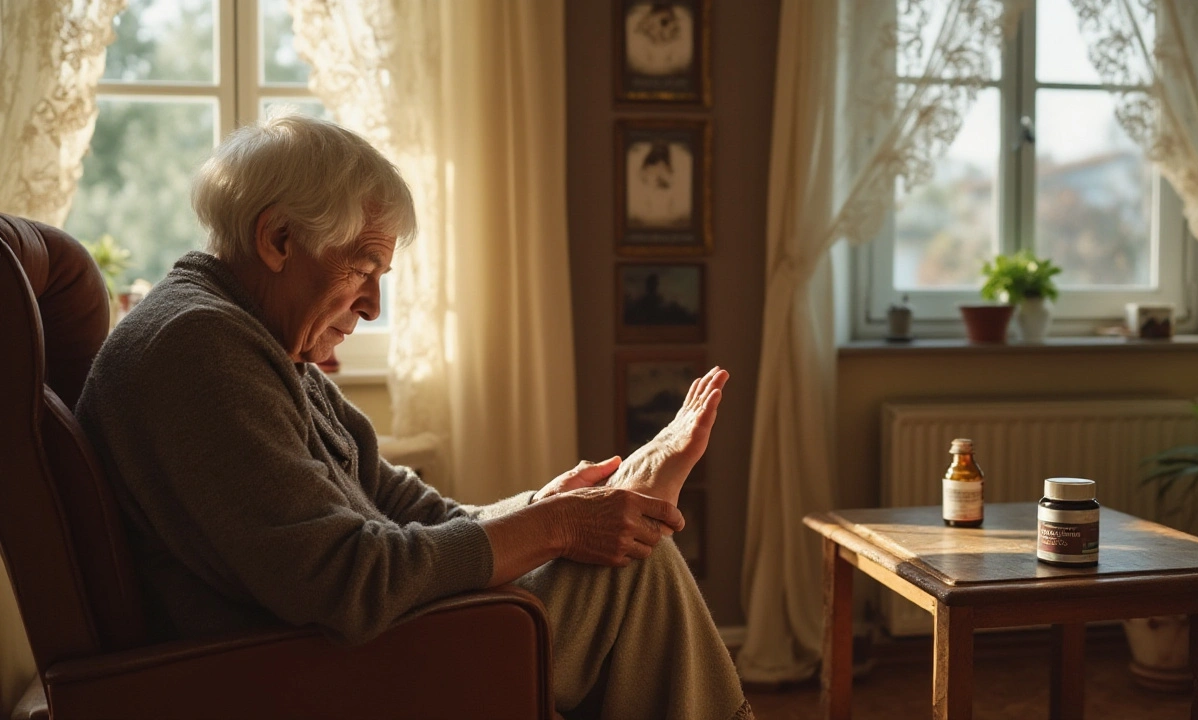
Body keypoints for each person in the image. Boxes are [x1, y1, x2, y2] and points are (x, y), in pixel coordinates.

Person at [75, 113, 750, 720]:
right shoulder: (200, 349)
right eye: (362, 268)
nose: (371, 305)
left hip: (331, 645)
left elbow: (403, 505)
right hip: (294, 671)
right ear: (278, 238)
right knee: (637, 567)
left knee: (626, 551)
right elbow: (350, 579)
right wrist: (559, 527)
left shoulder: (258, 341)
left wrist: (550, 506)